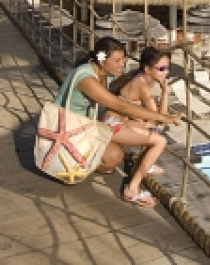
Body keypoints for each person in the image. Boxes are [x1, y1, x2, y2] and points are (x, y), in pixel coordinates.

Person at [58, 36, 182, 207]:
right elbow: (120, 105)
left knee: (113, 160)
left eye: (123, 60)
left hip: (87, 128)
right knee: (159, 140)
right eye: (117, 60)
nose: (122, 65)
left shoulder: (106, 75)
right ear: (102, 59)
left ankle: (143, 164)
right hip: (68, 131)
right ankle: (132, 189)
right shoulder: (86, 78)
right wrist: (164, 117)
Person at [103, 46, 172, 174]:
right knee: (156, 129)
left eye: (168, 68)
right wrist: (165, 93)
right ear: (147, 69)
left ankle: (143, 162)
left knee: (151, 125)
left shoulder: (142, 78)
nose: (165, 72)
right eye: (161, 69)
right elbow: (160, 118)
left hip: (116, 122)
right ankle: (144, 164)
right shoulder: (142, 85)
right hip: (113, 126)